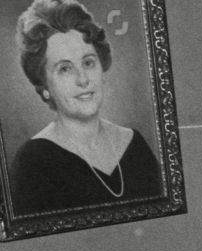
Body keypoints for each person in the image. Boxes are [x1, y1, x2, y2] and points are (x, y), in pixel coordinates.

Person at [10, 0, 162, 214]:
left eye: (88, 63)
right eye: (64, 69)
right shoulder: (32, 163)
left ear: (102, 68)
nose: (83, 79)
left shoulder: (134, 144)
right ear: (44, 86)